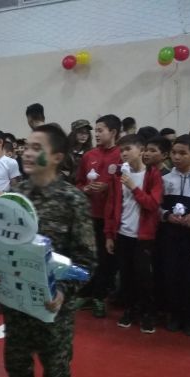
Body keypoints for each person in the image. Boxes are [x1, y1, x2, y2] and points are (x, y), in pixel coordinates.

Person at [0, 124, 96, 377]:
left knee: (55, 368)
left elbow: (86, 260)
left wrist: (63, 291)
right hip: (18, 300)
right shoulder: (16, 196)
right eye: (26, 145)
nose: (26, 152)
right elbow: (2, 242)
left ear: (57, 157)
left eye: (36, 147)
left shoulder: (73, 200)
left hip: (54, 305)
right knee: (17, 362)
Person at [104, 134, 162, 333]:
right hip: (122, 234)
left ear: (141, 150)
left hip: (143, 236)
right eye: (121, 150)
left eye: (128, 149)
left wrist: (133, 187)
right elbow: (111, 205)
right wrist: (109, 234)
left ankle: (147, 313)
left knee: (144, 277)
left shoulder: (153, 174)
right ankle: (130, 310)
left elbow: (152, 204)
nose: (124, 153)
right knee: (126, 276)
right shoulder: (119, 174)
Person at [75, 114, 122, 318]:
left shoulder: (121, 155)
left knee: (107, 259)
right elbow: (78, 182)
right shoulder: (89, 155)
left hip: (110, 217)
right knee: (88, 256)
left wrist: (108, 187)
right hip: (89, 214)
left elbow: (126, 184)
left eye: (100, 130)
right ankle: (85, 293)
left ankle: (100, 297)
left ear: (113, 132)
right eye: (95, 130)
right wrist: (85, 189)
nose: (96, 134)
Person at [158, 135, 190, 335]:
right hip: (170, 235)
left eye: (183, 153)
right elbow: (155, 207)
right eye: (174, 153)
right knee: (171, 274)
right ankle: (174, 315)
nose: (177, 157)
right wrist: (166, 215)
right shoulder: (165, 180)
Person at [61, 120, 93, 184]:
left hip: (84, 186)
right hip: (67, 185)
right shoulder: (65, 151)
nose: (84, 136)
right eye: (80, 132)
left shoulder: (90, 152)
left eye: (86, 133)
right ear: (74, 133)